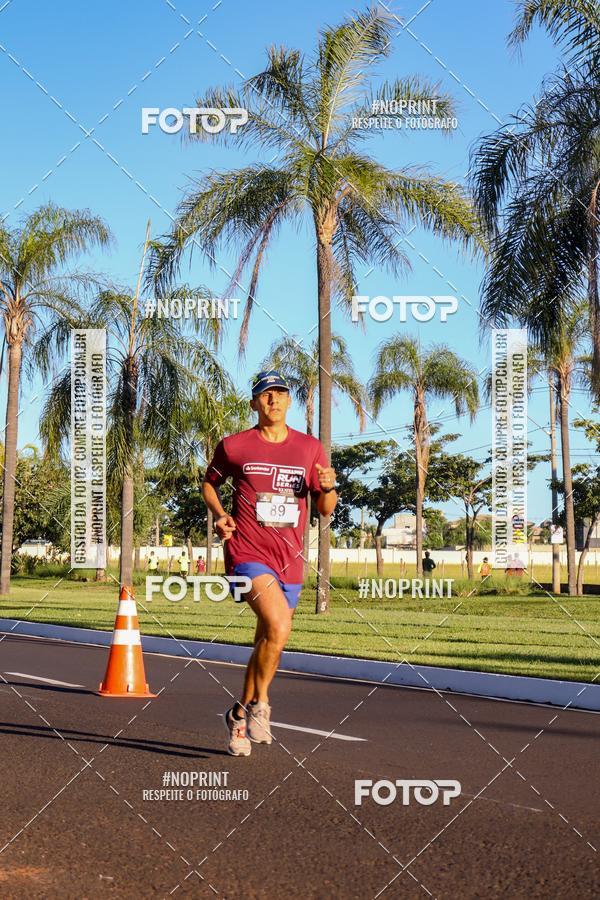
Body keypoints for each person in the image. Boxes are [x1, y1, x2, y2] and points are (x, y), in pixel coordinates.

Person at [202, 369, 338, 757]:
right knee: (279, 625)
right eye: (265, 394)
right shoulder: (235, 446)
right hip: (247, 553)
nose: (273, 400)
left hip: (290, 559)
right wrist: (218, 513)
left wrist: (328, 487)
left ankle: (238, 715)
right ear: (254, 403)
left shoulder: (309, 449)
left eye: (279, 393)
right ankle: (262, 706)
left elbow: (324, 510)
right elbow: (209, 481)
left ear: (289, 400)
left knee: (268, 639)